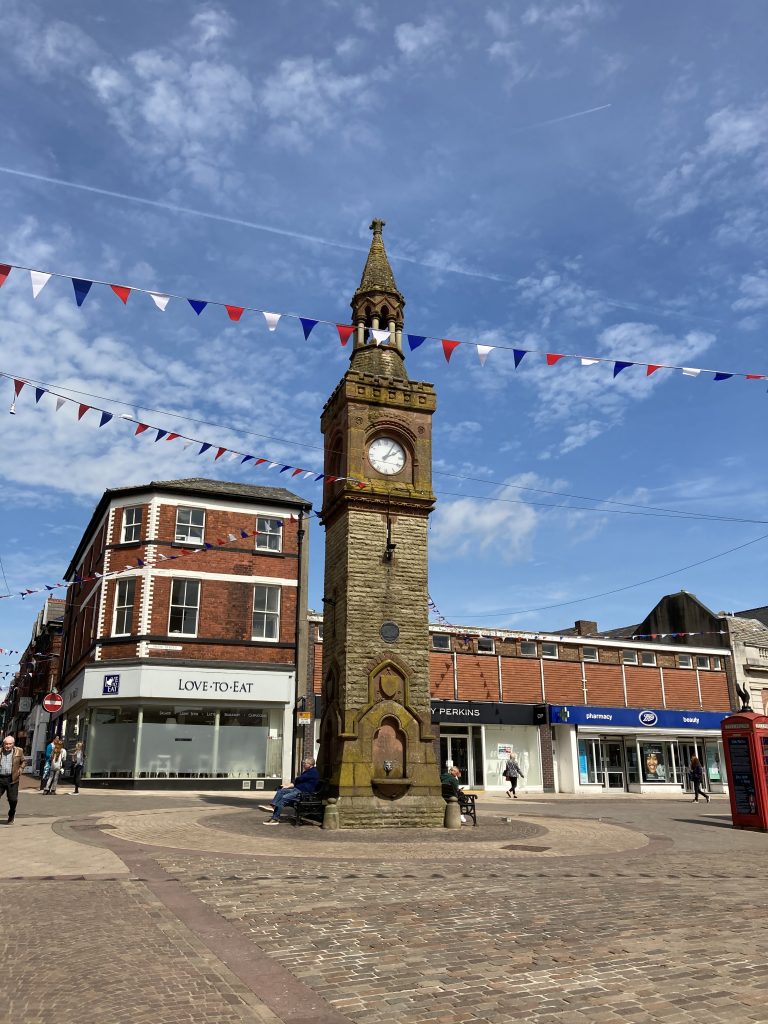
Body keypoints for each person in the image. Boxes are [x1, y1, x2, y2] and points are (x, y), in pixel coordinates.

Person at [261, 757, 319, 824]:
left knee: (283, 798)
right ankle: (273, 806)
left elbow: (299, 779)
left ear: (310, 764)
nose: (303, 764)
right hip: (297, 790)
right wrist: (287, 786)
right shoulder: (307, 771)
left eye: (305, 763)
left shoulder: (313, 772)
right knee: (281, 791)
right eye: (304, 763)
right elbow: (297, 781)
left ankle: (275, 819)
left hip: (302, 793)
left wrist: (295, 781)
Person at [0, 734, 25, 825]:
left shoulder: (19, 751)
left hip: (12, 779)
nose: (7, 746)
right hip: (1, 778)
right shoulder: (0, 751)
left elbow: (24, 761)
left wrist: (21, 769)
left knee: (13, 799)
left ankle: (12, 814)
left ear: (13, 744)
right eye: (6, 744)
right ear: (3, 744)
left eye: (10, 744)